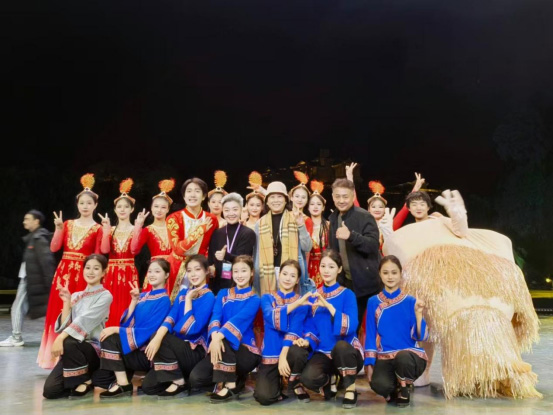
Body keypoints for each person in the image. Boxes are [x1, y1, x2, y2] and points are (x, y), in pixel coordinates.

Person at [380, 190, 541, 398]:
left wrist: (457, 214)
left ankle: (492, 370)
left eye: (422, 203)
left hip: (450, 276)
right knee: (424, 329)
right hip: (423, 284)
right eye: (414, 204)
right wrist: (388, 233)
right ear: (409, 208)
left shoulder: (439, 220)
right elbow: (396, 254)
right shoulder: (407, 232)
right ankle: (423, 371)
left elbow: (461, 230)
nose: (418, 207)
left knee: (461, 320)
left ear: (428, 206)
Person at [38, 173, 103, 369]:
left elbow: (97, 256)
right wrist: (58, 228)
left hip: (83, 276)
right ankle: (53, 357)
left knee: (79, 312)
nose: (85, 206)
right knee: (58, 310)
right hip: (64, 274)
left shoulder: (98, 228)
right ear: (77, 205)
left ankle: (77, 356)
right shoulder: (67, 224)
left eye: (89, 203)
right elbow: (54, 248)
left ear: (95, 205)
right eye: (82, 203)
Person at [294, 250, 364, 409]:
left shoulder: (348, 294)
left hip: (347, 353)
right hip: (323, 352)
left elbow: (351, 326)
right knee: (308, 378)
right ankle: (330, 379)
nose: (326, 270)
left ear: (339, 269)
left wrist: (329, 306)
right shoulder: (314, 295)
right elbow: (310, 327)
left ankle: (350, 388)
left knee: (341, 347)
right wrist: (306, 340)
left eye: (331, 267)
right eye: (323, 266)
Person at [189, 255, 261, 403]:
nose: (239, 275)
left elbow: (238, 321)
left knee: (226, 340)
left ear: (251, 273)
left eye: (244, 271)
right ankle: (234, 378)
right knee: (196, 378)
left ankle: (230, 385)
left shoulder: (255, 299)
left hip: (244, 351)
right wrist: (215, 336)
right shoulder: (223, 293)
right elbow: (216, 316)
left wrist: (218, 337)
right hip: (220, 345)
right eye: (236, 271)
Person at [141, 255, 215, 397]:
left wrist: (188, 300)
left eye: (197, 269)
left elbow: (191, 329)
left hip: (194, 351)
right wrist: (157, 337)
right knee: (148, 387)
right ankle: (180, 376)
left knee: (163, 338)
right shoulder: (182, 293)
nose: (193, 274)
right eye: (189, 270)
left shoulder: (209, 296)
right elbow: (171, 318)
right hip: (176, 350)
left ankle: (179, 381)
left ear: (206, 271)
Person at [96, 259, 171, 398]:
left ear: (166, 275)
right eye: (150, 271)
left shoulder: (164, 300)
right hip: (133, 346)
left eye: (157, 271)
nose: (152, 274)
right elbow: (126, 324)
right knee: (99, 379)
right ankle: (122, 380)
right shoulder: (142, 296)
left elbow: (149, 330)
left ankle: (123, 384)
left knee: (111, 337)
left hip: (146, 352)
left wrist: (115, 329)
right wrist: (134, 301)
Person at [43, 254, 113, 399]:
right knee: (51, 391)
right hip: (72, 349)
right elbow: (66, 326)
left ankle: (84, 379)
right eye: (87, 268)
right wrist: (66, 302)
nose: (91, 272)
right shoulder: (76, 295)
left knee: (68, 341)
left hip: (92, 349)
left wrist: (60, 338)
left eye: (96, 268)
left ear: (103, 272)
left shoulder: (105, 296)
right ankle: (85, 377)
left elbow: (85, 320)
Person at [364, 255, 428, 407]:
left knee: (403, 357)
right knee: (379, 385)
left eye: (394, 272)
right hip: (386, 356)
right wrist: (369, 363)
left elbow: (421, 336)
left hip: (409, 357)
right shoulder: (373, 302)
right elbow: (370, 334)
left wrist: (419, 314)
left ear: (400, 274)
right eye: (385, 273)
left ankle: (404, 388)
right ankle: (394, 388)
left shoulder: (411, 301)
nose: (390, 277)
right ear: (380, 274)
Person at [253, 260, 311, 405]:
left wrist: (283, 356)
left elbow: (294, 330)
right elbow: (272, 317)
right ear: (279, 275)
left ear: (297, 280)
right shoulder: (267, 298)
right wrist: (297, 304)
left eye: (292, 276)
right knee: (264, 397)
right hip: (271, 352)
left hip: (289, 352)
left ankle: (295, 383)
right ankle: (279, 385)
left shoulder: (303, 303)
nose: (287, 278)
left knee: (299, 352)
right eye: (285, 274)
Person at [328, 178, 380, 329]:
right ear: (333, 197)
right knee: (348, 327)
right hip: (346, 283)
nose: (341, 200)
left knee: (370, 328)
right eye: (337, 196)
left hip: (367, 285)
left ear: (353, 196)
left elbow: (373, 245)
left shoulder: (364, 216)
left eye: (345, 196)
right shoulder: (333, 218)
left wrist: (351, 236)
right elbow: (334, 251)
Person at [1, 210, 56, 347]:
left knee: (17, 308)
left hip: (30, 280)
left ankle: (16, 337)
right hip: (28, 278)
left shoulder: (39, 238)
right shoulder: (34, 237)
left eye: (27, 219)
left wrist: (50, 282)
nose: (24, 222)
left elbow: (46, 262)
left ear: (36, 221)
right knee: (21, 308)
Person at [254, 181, 313, 295]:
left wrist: (301, 225)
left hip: (290, 274)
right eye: (272, 197)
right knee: (270, 304)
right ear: (267, 201)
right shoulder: (259, 224)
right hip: (267, 274)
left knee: (292, 304)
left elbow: (307, 247)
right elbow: (257, 256)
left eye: (279, 196)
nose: (276, 200)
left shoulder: (295, 218)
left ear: (286, 200)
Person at [166, 178, 219, 301]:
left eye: (197, 191)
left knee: (199, 302)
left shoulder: (211, 219)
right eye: (189, 191)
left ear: (204, 196)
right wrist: (200, 230)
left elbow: (213, 246)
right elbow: (178, 249)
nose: (193, 195)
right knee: (175, 303)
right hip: (177, 268)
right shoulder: (174, 218)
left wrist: (212, 264)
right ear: (184, 196)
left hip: (200, 267)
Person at [100, 178, 139, 327]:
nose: (122, 210)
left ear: (132, 209)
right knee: (110, 304)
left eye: (126, 207)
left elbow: (135, 250)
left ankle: (125, 333)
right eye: (119, 207)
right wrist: (105, 232)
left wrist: (138, 228)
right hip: (111, 272)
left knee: (128, 303)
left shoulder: (136, 229)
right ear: (115, 210)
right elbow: (104, 250)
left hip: (129, 271)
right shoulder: (110, 229)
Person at [208, 193, 256, 294]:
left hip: (240, 282)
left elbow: (243, 259)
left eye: (235, 209)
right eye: (227, 210)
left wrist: (225, 256)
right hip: (218, 284)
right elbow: (211, 260)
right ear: (222, 211)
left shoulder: (248, 233)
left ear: (241, 210)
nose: (231, 213)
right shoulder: (217, 233)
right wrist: (211, 267)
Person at [131, 179, 175, 289]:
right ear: (151, 208)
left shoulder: (174, 228)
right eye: (156, 206)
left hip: (173, 269)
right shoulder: (148, 230)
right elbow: (134, 250)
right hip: (155, 270)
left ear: (168, 209)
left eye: (163, 207)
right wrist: (138, 226)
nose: (159, 210)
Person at [306, 180, 329, 288]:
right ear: (308, 207)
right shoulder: (304, 226)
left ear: (323, 207)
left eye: (319, 204)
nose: (315, 207)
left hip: (326, 267)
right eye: (312, 204)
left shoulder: (329, 226)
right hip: (308, 266)